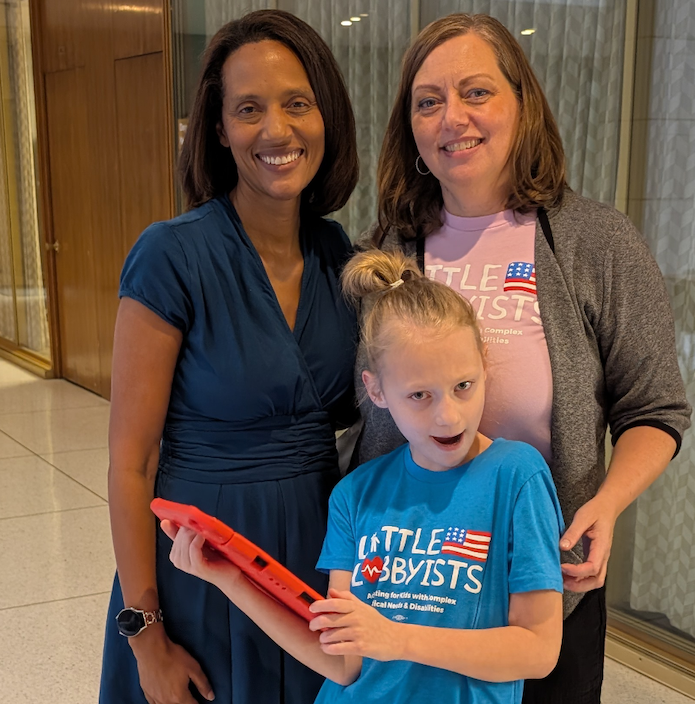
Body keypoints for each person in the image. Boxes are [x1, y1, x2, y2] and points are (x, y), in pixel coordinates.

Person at [355, 13, 692, 703]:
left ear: (522, 105)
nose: (453, 117)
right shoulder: (389, 247)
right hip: (410, 592)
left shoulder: (597, 243)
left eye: (476, 92)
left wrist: (607, 503)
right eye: (428, 101)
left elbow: (654, 407)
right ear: (411, 129)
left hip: (542, 590)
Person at [163, 248, 566, 704]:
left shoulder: (517, 476)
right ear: (376, 390)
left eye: (463, 386)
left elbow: (538, 649)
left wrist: (397, 638)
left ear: (484, 368)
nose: (448, 415)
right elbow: (342, 662)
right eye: (419, 395)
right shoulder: (355, 494)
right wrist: (229, 579)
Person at [98, 10, 359, 704]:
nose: (276, 130)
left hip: (313, 563)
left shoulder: (343, 258)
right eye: (249, 109)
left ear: (325, 115)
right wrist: (145, 635)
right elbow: (130, 464)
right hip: (202, 567)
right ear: (218, 130)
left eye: (296, 104)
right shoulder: (172, 255)